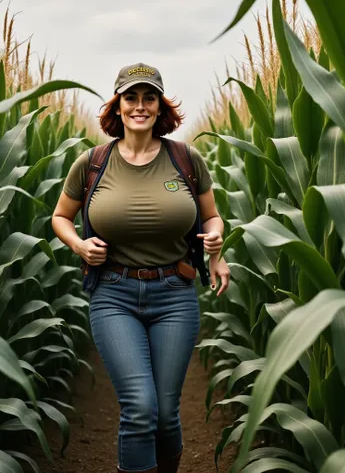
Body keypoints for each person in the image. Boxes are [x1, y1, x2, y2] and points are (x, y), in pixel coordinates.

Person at [52, 62, 230, 473]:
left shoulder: (185, 159)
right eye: (130, 97)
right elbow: (60, 217)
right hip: (113, 295)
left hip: (175, 295)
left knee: (166, 414)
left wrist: (216, 247)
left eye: (149, 97)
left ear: (160, 106)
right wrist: (80, 244)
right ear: (117, 106)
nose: (139, 106)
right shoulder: (93, 163)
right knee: (140, 407)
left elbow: (212, 218)